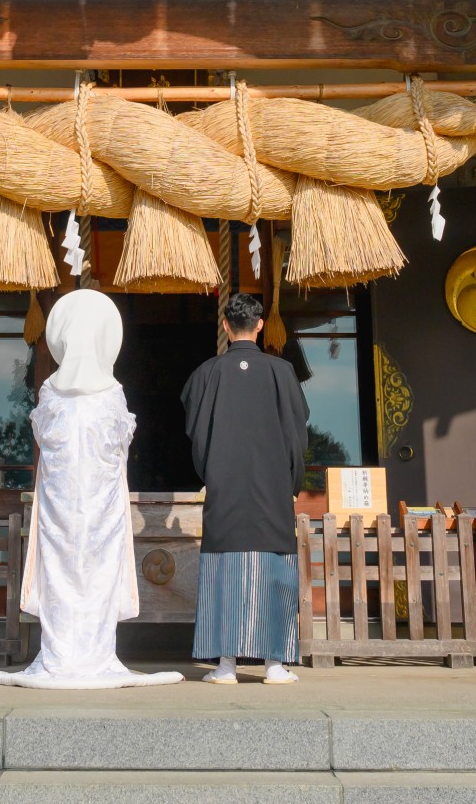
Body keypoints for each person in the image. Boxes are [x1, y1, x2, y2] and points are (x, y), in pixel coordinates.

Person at [0, 289, 181, 690]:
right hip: (101, 502)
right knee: (98, 571)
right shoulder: (111, 393)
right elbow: (121, 443)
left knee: (59, 571)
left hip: (59, 501)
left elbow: (43, 435)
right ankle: (94, 653)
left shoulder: (51, 392)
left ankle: (60, 653)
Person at [181, 291, 309, 685]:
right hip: (271, 489)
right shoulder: (282, 372)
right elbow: (297, 432)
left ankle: (225, 666)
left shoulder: (206, 374)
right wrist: (292, 481)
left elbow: (196, 435)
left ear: (225, 327)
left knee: (224, 572)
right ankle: (274, 665)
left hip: (225, 489)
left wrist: (211, 474)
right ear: (258, 326)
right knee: (275, 571)